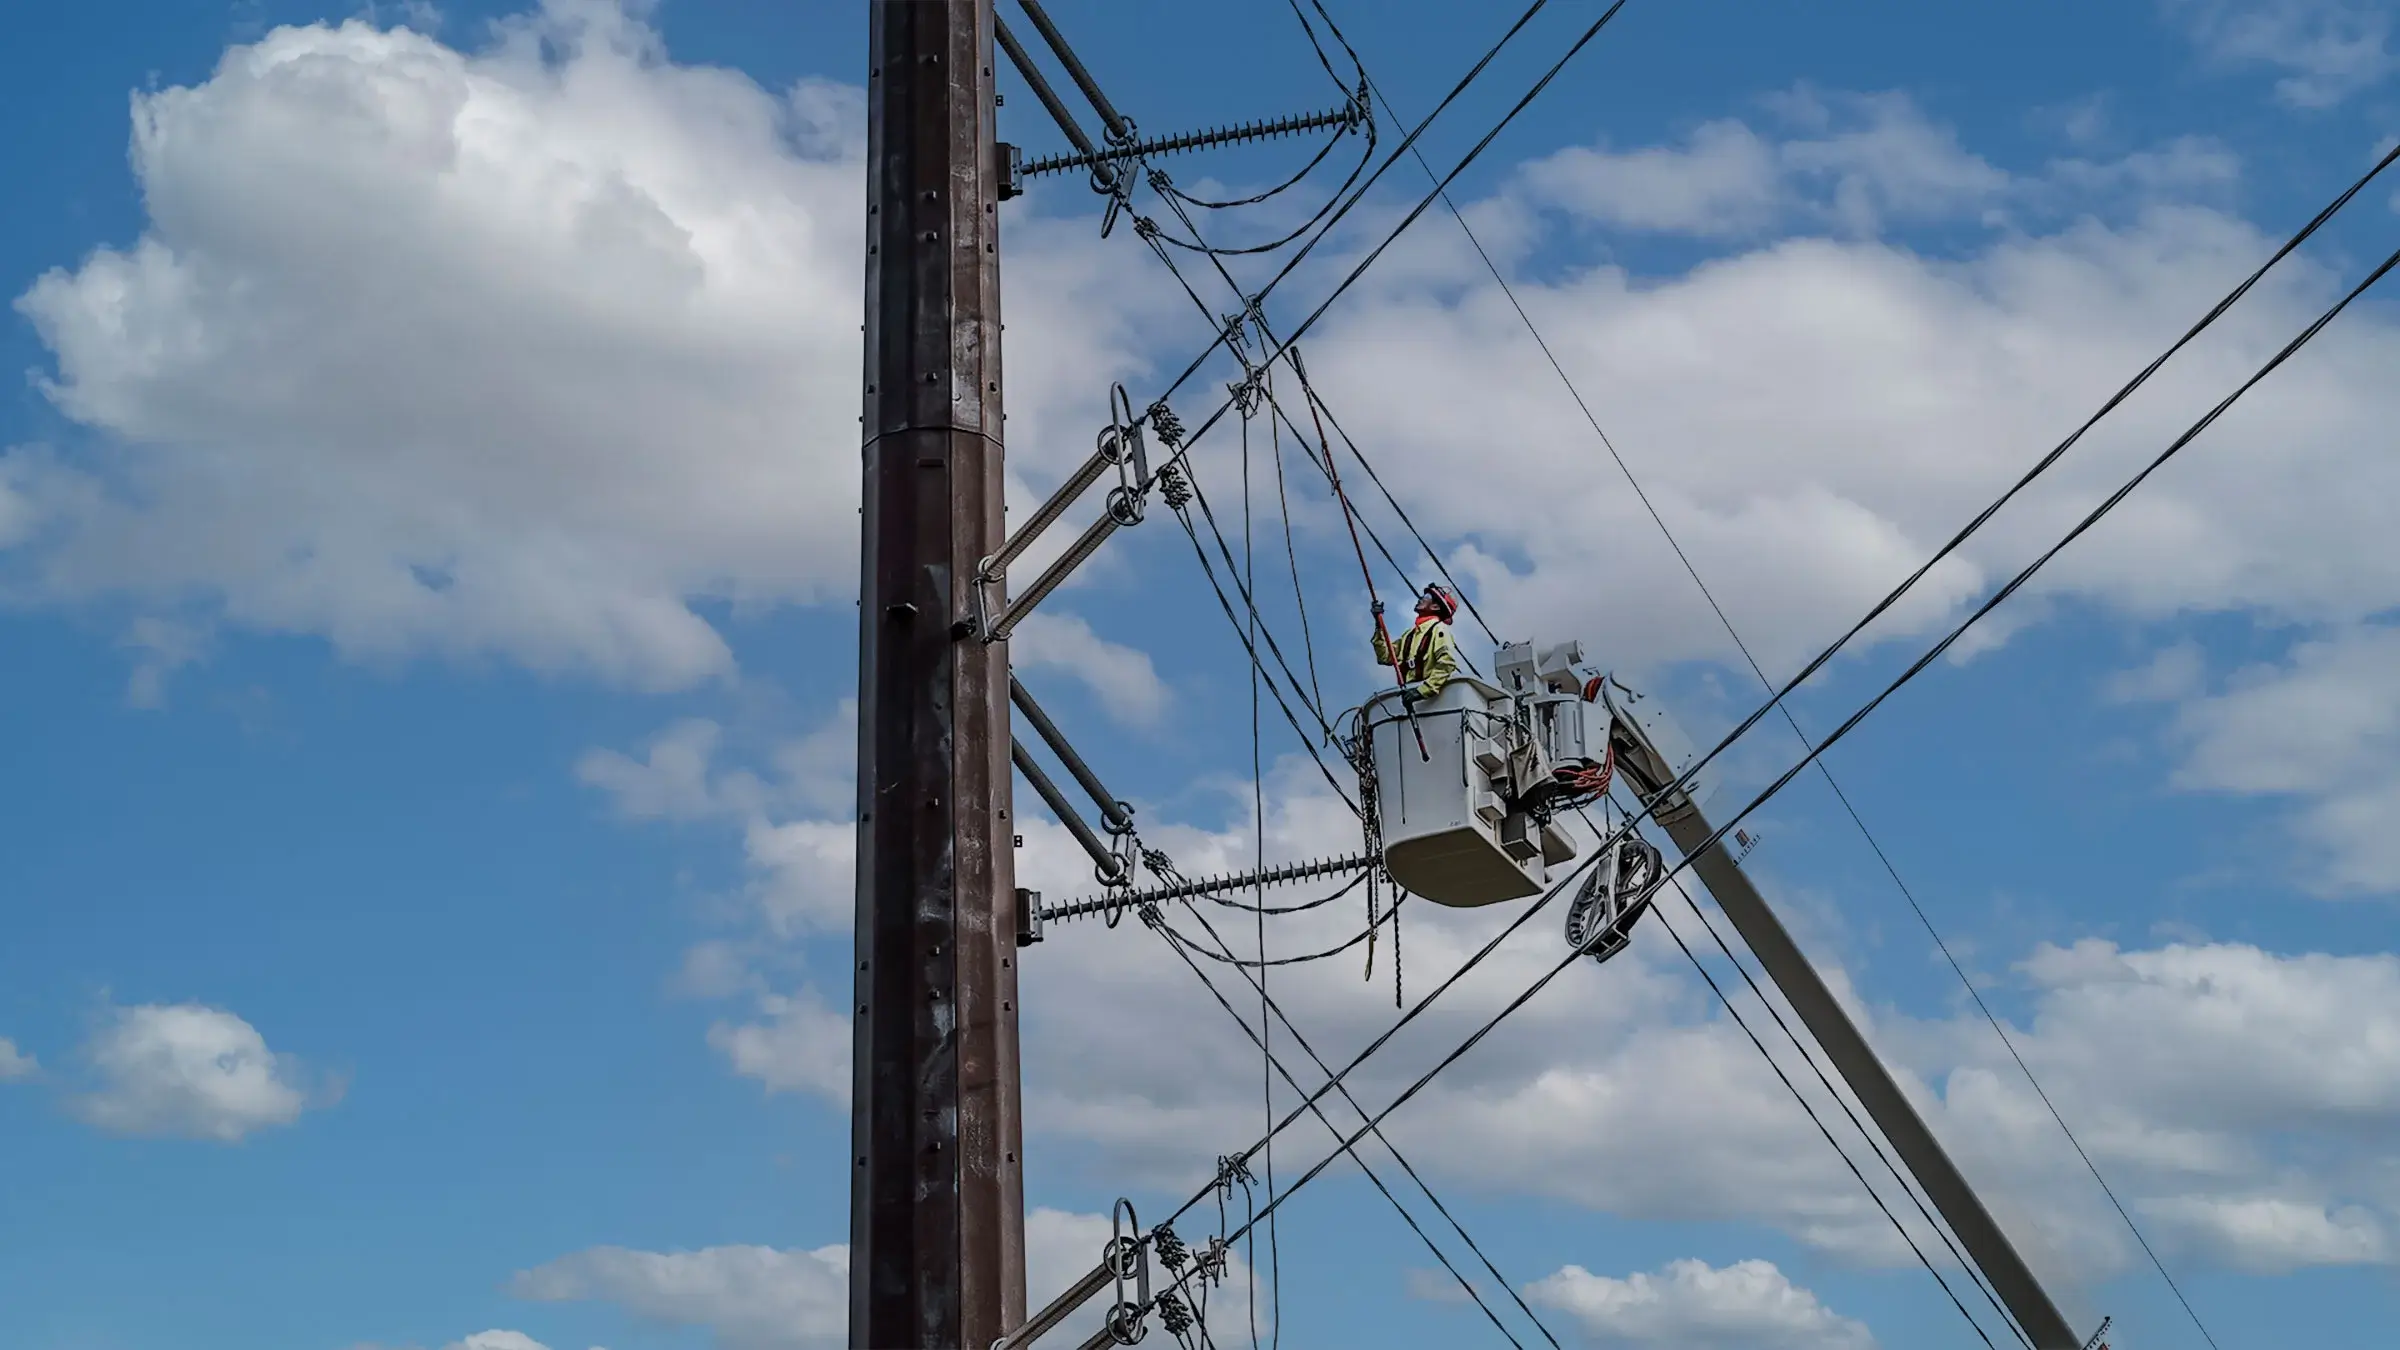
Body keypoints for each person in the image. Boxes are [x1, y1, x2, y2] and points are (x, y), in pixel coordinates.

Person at [1372, 584, 1460, 706]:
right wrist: (1378, 624)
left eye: (1427, 596)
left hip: (1430, 702)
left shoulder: (1439, 629)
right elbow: (1385, 656)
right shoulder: (1409, 635)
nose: (1421, 598)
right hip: (1409, 695)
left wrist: (1422, 691)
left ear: (1435, 606)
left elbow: (1447, 663)